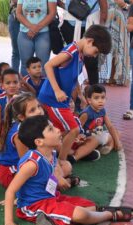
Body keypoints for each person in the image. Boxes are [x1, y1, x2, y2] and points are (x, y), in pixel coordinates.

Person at [3, 115, 133, 225]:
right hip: (34, 205)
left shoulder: (51, 152)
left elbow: (51, 171)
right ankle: (109, 215)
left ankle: (53, 221)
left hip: (51, 197)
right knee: (81, 214)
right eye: (51, 129)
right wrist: (8, 221)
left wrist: (59, 179)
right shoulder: (31, 164)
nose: (57, 130)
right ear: (39, 141)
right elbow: (11, 190)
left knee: (89, 206)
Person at [38, 25, 111, 162]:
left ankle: (56, 157)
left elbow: (74, 78)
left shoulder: (81, 54)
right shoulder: (72, 51)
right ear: (89, 41)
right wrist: (57, 90)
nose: (94, 56)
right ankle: (62, 162)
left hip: (60, 100)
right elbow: (48, 65)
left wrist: (81, 96)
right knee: (74, 129)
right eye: (96, 52)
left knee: (63, 131)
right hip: (52, 99)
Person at [55, 0, 108, 86]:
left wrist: (100, 29)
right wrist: (63, 6)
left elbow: (104, 7)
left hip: (91, 26)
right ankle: (72, 92)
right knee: (70, 59)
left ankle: (94, 93)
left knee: (91, 61)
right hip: (70, 25)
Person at [0, 92, 49, 188]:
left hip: (30, 164)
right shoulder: (19, 134)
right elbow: (25, 162)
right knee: (49, 175)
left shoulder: (36, 124)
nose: (39, 111)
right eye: (32, 110)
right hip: (11, 172)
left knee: (65, 166)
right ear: (22, 117)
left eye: (39, 106)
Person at [16, 0, 57, 75]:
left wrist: (36, 28)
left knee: (43, 65)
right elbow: (18, 13)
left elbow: (52, 13)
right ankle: (25, 91)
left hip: (43, 33)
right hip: (24, 33)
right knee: (25, 64)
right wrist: (31, 27)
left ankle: (42, 91)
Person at [100, 0, 133, 86]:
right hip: (108, 23)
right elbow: (103, 7)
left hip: (122, 24)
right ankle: (104, 75)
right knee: (107, 48)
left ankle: (116, 76)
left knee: (119, 50)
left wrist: (125, 5)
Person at [79, 84, 121, 155]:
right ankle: (109, 146)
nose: (100, 101)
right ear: (89, 100)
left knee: (117, 133)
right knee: (110, 137)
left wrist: (117, 141)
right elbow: (78, 129)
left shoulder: (102, 110)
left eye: (103, 97)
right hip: (89, 138)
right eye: (96, 98)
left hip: (98, 133)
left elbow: (110, 126)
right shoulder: (86, 113)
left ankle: (107, 147)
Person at [7, 0, 28, 72]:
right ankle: (13, 75)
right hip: (15, 21)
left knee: (27, 51)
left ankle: (25, 78)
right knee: (16, 51)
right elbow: (14, 0)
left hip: (29, 22)